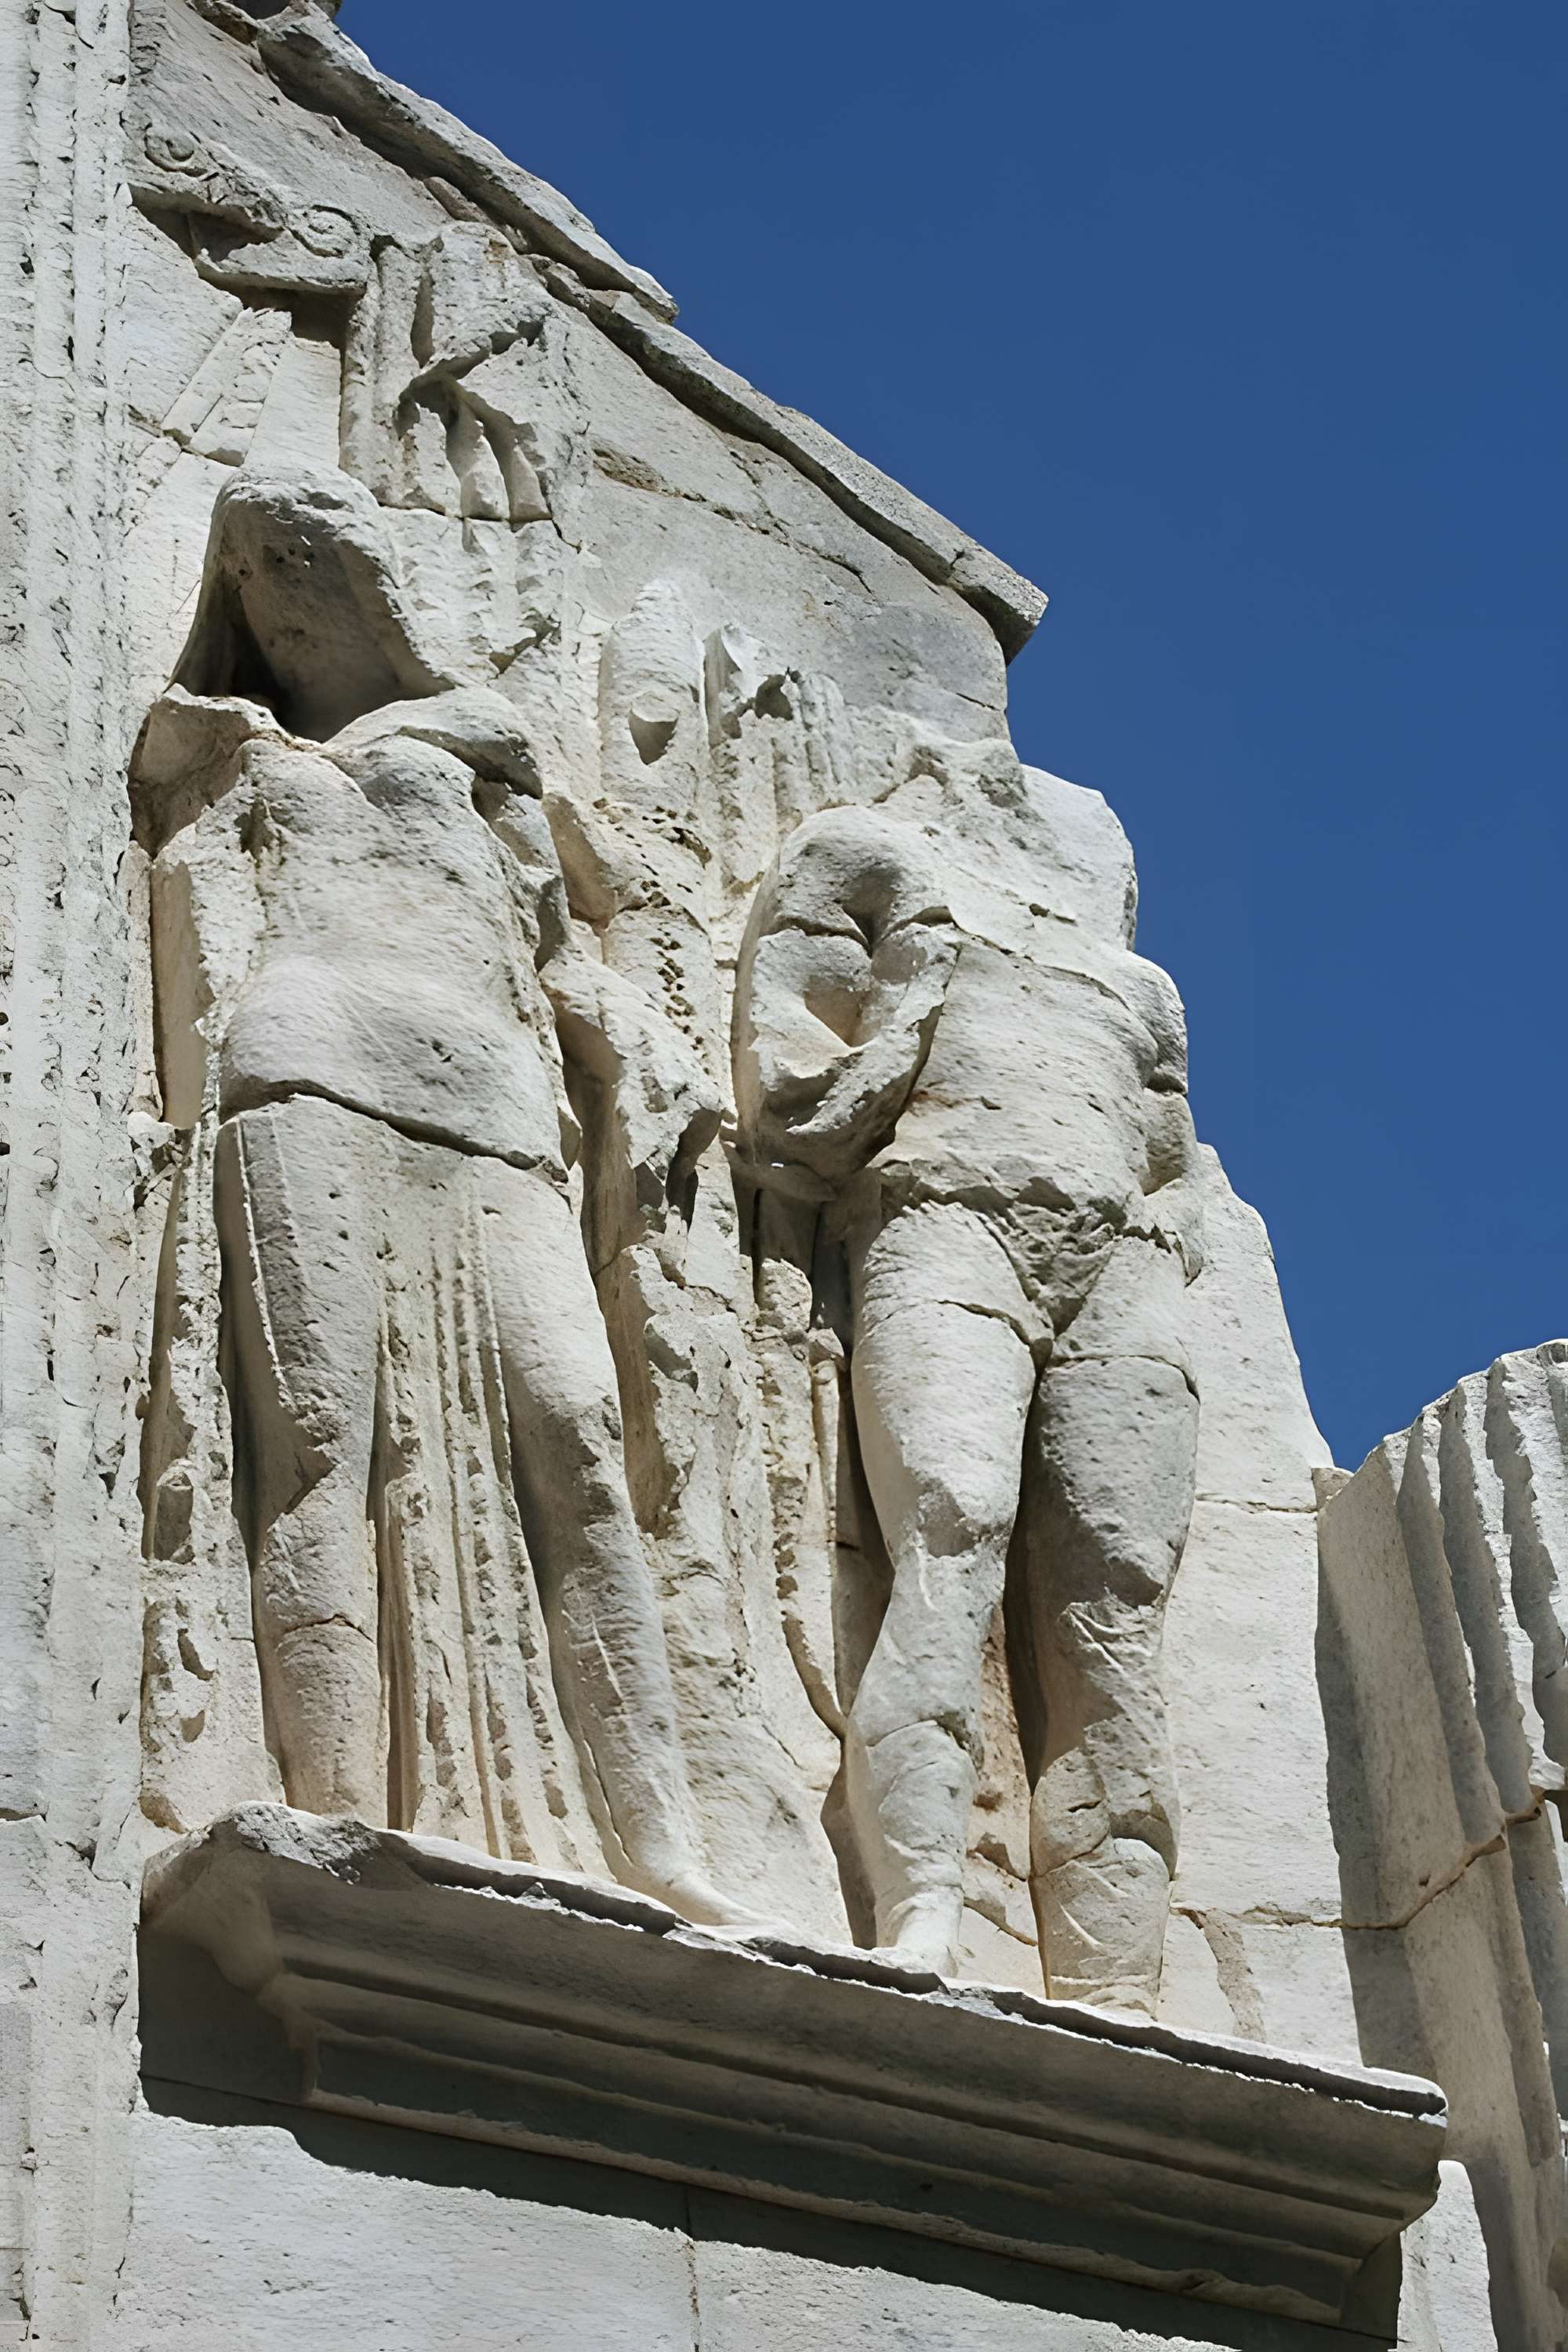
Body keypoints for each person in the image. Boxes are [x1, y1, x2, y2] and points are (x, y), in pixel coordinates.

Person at [137, 463, 748, 1927]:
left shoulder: (483, 754)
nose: (281, 596)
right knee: (320, 1435)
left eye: (304, 562)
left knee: (581, 1436)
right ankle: (332, 1808)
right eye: (256, 572)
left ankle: (660, 1836)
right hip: (309, 1058)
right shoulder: (228, 747)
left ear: (369, 586)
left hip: (490, 1097)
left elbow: (593, 926)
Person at [734, 776, 1203, 2008]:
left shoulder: (1141, 987)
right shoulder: (871, 860)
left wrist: (1163, 1243)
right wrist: (915, 993)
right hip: (944, 1211)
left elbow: (1169, 1160)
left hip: (1122, 1260)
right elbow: (791, 1079)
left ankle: (1120, 1982)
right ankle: (925, 1912)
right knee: (953, 1526)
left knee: (1118, 1597)